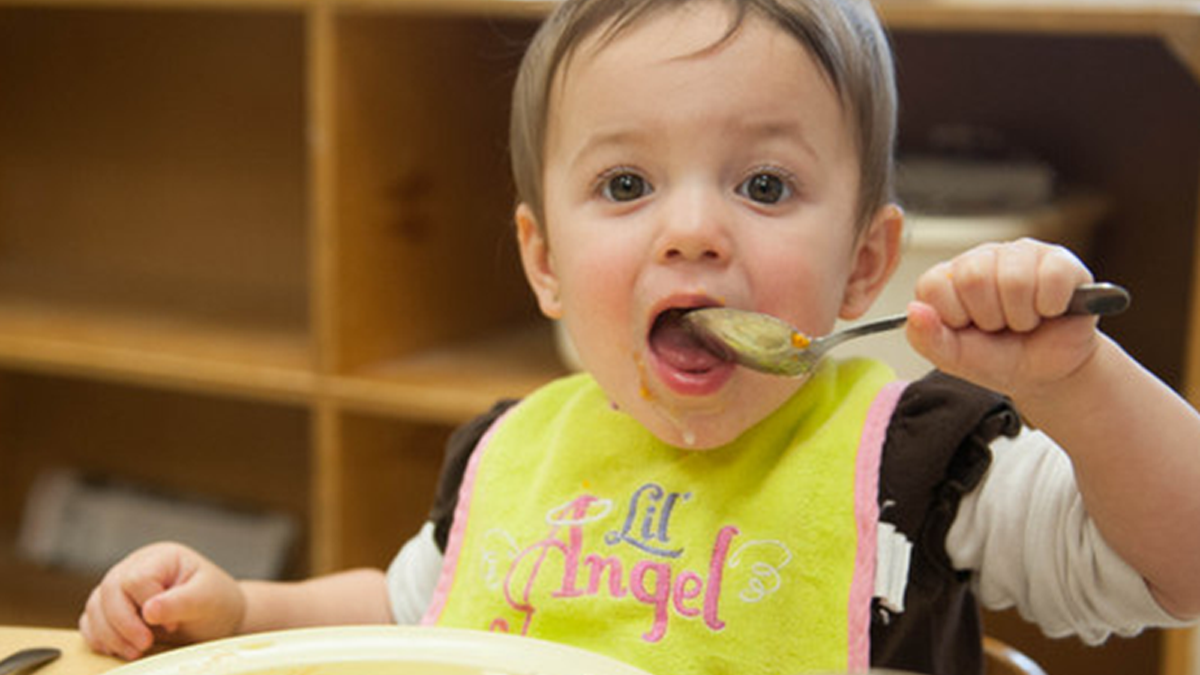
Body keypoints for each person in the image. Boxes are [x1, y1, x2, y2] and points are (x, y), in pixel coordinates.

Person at [79, 0, 1200, 673]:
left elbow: (1183, 566)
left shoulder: (917, 461)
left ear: (864, 260)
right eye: (627, 183)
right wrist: (240, 608)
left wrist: (1079, 379)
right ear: (546, 261)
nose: (696, 231)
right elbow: (406, 608)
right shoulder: (513, 452)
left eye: (764, 183)